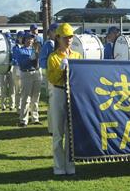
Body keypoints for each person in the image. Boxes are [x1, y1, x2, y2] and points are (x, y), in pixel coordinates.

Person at [47, 23, 82, 175]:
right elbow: (52, 79)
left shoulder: (77, 56)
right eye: (65, 37)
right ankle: (59, 167)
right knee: (57, 132)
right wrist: (61, 68)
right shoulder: (53, 57)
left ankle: (70, 166)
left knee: (71, 134)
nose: (68, 40)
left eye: (70, 37)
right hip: (59, 92)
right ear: (58, 38)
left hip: (72, 94)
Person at [15, 32, 42, 127]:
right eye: (27, 39)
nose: (30, 41)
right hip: (26, 73)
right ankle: (23, 120)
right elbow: (21, 63)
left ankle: (35, 118)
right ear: (24, 40)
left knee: (36, 97)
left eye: (31, 39)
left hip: (36, 72)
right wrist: (31, 58)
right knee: (26, 98)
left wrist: (37, 55)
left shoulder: (34, 49)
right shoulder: (20, 50)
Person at [39, 23, 59, 133]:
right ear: (50, 32)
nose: (57, 33)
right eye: (55, 31)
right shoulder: (48, 44)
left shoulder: (58, 44)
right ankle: (51, 128)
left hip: (59, 76)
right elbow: (42, 61)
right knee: (52, 101)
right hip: (51, 76)